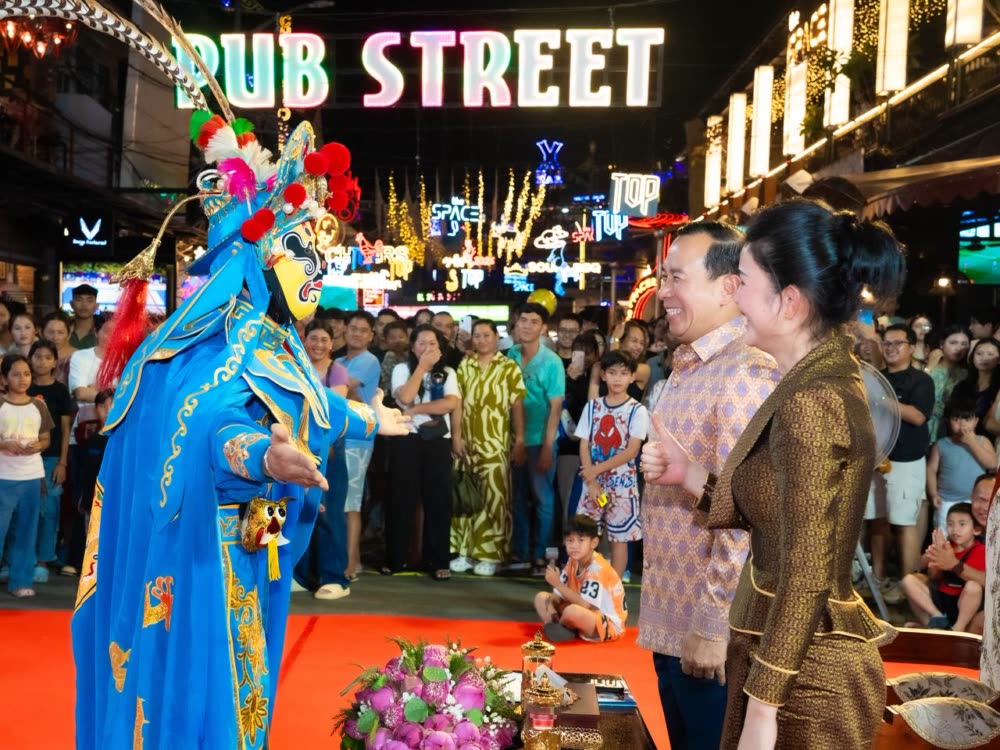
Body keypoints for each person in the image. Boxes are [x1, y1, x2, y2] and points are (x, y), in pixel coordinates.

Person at [71, 119, 407, 750]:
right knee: (217, 685)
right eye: (300, 248)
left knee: (243, 676)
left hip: (255, 536)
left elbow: (310, 405)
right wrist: (263, 459)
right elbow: (218, 427)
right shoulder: (226, 344)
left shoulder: (267, 340)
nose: (317, 266)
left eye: (319, 253)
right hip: (212, 547)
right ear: (257, 253)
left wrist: (369, 418)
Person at [643, 199, 903, 749]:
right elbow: (774, 514)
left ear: (788, 301)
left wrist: (763, 706)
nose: (734, 294)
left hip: (804, 680)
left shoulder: (812, 399)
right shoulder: (808, 379)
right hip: (780, 657)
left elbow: (807, 568)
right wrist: (692, 476)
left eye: (743, 280)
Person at [636, 221, 780, 750]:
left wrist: (714, 622)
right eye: (664, 277)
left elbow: (746, 512)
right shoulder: (689, 365)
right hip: (671, 617)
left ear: (728, 287)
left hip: (708, 631)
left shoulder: (746, 371)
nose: (664, 292)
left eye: (678, 278)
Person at [450, 319, 527, 576]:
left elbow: (517, 405)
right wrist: (456, 436)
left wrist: (519, 440)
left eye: (486, 335)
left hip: (496, 443)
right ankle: (465, 551)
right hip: (467, 442)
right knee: (466, 496)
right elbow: (457, 403)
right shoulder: (466, 365)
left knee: (495, 498)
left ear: (496, 338)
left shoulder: (508, 367)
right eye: (477, 336)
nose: (481, 340)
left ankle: (491, 555)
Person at [387, 325, 460, 579]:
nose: (427, 348)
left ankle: (438, 561)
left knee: (438, 501)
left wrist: (417, 410)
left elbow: (450, 403)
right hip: (406, 437)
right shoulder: (401, 369)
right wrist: (421, 368)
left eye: (432, 344)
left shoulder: (448, 372)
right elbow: (405, 397)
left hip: (439, 440)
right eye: (421, 343)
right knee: (401, 499)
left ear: (440, 348)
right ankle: (396, 558)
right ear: (412, 347)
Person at [576, 350, 648, 576]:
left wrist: (594, 471)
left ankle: (614, 588)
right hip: (593, 486)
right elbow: (584, 444)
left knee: (619, 538)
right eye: (612, 372)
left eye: (623, 373)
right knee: (584, 536)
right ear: (604, 375)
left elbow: (632, 450)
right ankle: (584, 583)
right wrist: (592, 481)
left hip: (622, 487)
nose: (617, 378)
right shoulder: (592, 407)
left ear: (632, 377)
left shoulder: (637, 410)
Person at [508, 302, 566, 574]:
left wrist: (547, 445)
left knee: (543, 499)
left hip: (541, 440)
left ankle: (541, 555)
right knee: (518, 498)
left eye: (534, 322)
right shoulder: (510, 355)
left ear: (543, 328)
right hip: (515, 440)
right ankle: (520, 553)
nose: (527, 326)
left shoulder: (552, 362)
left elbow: (556, 406)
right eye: (523, 320)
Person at [878, 323, 934, 589]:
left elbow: (918, 416)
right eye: (886, 343)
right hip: (876, 459)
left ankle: (909, 584)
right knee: (877, 521)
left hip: (906, 461)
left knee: (904, 523)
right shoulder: (876, 377)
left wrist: (881, 400)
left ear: (911, 347)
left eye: (897, 343)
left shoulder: (921, 380)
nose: (891, 348)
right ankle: (878, 578)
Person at [0, 354, 54, 597]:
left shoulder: (39, 405)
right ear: (4, 379)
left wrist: (38, 446)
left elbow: (46, 438)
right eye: (16, 374)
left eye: (26, 374)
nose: (22, 379)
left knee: (27, 530)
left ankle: (21, 581)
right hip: (4, 476)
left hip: (31, 476)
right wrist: (5, 444)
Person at [336, 311, 381, 582]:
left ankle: (352, 562)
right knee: (337, 502)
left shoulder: (368, 360)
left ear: (371, 336)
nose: (356, 334)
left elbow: (341, 387)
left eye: (363, 330)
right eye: (353, 328)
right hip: (337, 437)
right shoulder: (339, 360)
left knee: (351, 503)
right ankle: (345, 559)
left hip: (358, 439)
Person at [534, 514, 627, 643]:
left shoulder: (598, 568)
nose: (574, 546)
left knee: (572, 611)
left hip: (607, 623)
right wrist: (551, 605)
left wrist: (557, 583)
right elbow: (558, 595)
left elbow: (585, 604)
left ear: (594, 543)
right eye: (570, 540)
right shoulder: (573, 560)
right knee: (541, 598)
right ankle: (558, 627)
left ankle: (562, 627)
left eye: (581, 540)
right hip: (584, 611)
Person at [26, 339, 73, 583]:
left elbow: (65, 430)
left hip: (52, 457)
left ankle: (43, 560)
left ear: (55, 361)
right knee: (25, 509)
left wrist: (62, 463)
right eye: (37, 356)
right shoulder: (23, 387)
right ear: (30, 359)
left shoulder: (60, 391)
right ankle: (21, 559)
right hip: (22, 457)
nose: (42, 362)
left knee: (50, 510)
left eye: (47, 357)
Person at [900, 503, 985, 632]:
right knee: (908, 580)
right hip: (943, 597)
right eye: (950, 524)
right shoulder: (946, 545)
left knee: (973, 587)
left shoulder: (980, 549)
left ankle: (957, 629)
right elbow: (933, 577)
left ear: (976, 530)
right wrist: (933, 557)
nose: (955, 529)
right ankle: (936, 620)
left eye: (962, 524)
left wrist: (952, 562)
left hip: (963, 602)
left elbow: (974, 579)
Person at [927, 396, 997, 532]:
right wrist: (933, 494)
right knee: (945, 534)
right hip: (946, 501)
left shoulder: (982, 441)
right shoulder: (942, 444)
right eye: (956, 419)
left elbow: (992, 464)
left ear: (976, 421)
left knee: (972, 536)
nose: (962, 424)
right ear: (948, 421)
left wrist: (972, 442)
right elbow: (931, 470)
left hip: (974, 502)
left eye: (967, 419)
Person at [927, 325, 970, 439]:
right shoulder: (930, 367)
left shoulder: (967, 374)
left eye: (964, 344)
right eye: (953, 343)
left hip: (950, 431)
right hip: (924, 426)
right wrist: (929, 367)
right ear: (942, 344)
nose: (958, 348)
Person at [953, 337, 1000, 436]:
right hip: (960, 437)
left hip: (989, 441)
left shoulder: (998, 389)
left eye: (990, 354)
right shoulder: (962, 387)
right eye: (979, 353)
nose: (984, 358)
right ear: (972, 357)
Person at [41, 310, 77, 385]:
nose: (55, 337)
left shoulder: (78, 357)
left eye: (60, 332)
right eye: (50, 332)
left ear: (69, 334)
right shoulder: (36, 356)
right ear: (42, 334)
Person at [68, 283, 99, 349]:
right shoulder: (63, 330)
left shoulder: (102, 332)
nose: (84, 305)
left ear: (96, 306)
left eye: (89, 301)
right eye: (79, 300)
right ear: (71, 304)